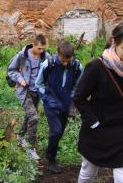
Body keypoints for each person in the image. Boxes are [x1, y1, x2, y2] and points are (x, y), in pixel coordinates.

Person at [74, 22, 123, 183]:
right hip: (97, 132)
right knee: (88, 174)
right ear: (114, 43)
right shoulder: (96, 67)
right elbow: (79, 97)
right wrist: (93, 122)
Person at [35, 41, 83, 173]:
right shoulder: (48, 64)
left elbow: (77, 86)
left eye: (69, 59)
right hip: (51, 102)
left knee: (60, 131)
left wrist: (72, 99)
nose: (66, 62)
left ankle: (51, 150)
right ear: (58, 53)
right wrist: (47, 99)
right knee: (56, 130)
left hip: (66, 103)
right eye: (63, 59)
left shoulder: (77, 67)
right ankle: (51, 159)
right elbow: (38, 84)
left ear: (72, 56)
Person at [7, 34, 49, 160]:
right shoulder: (22, 56)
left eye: (44, 48)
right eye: (40, 48)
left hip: (38, 92)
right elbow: (11, 71)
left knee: (29, 116)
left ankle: (20, 136)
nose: (42, 51)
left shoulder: (45, 56)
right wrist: (20, 80)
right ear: (33, 44)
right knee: (34, 118)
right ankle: (31, 148)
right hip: (25, 92)